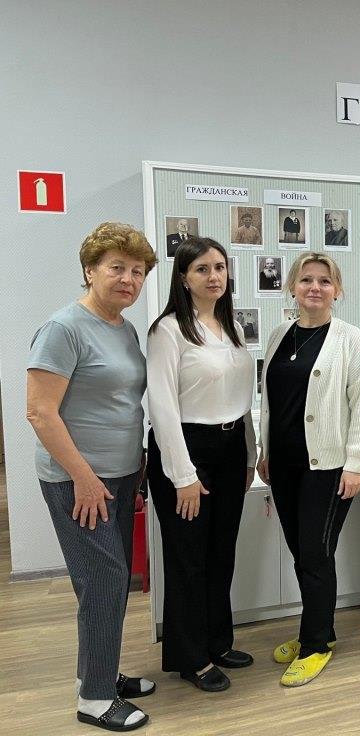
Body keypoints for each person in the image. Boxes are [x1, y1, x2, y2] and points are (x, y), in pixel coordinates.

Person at [27, 222, 158, 731]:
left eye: (137, 271)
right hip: (79, 481)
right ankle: (95, 700)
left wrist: (137, 465)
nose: (128, 279)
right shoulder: (63, 328)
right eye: (117, 268)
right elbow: (40, 412)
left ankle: (99, 673)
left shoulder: (123, 328)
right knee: (104, 580)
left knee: (111, 582)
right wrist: (81, 477)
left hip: (120, 476)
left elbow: (122, 404)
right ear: (89, 270)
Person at [258, 253, 360, 685]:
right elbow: (270, 401)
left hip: (327, 467)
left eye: (325, 281)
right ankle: (316, 627)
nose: (314, 287)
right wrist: (264, 450)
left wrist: (356, 464)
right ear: (292, 287)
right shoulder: (279, 335)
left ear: (337, 290)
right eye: (306, 279)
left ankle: (316, 645)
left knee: (315, 553)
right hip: (284, 465)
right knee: (301, 552)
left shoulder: (350, 340)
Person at [146, 237, 257, 693]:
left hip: (229, 450)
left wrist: (249, 455)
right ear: (184, 278)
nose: (214, 276)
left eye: (220, 268)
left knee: (221, 551)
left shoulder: (233, 328)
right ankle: (190, 657)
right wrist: (183, 475)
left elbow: (241, 400)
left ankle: (217, 642)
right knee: (188, 557)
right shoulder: (168, 330)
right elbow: (162, 407)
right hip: (186, 450)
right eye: (202, 269)